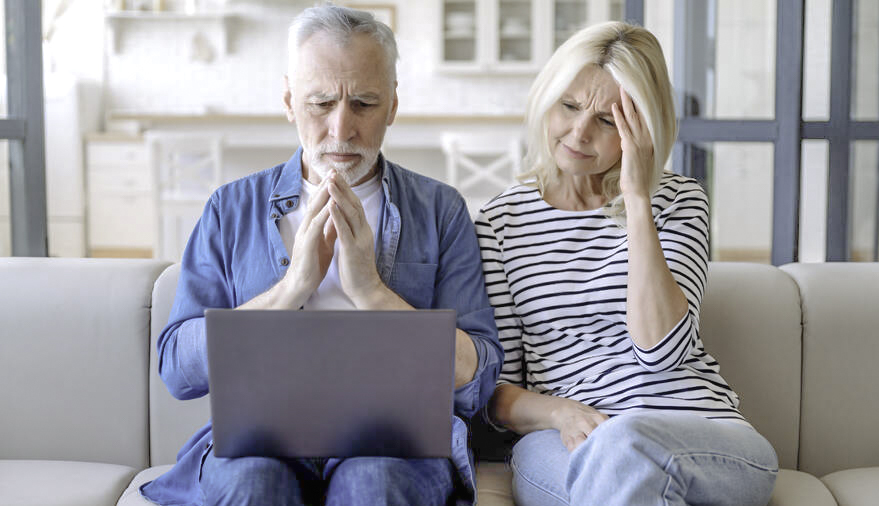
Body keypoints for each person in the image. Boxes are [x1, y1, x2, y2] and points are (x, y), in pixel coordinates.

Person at [140, 5, 502, 506]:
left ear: (393, 105)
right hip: (259, 440)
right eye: (321, 102)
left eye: (365, 103)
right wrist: (290, 291)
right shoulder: (230, 208)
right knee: (252, 485)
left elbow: (479, 375)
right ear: (290, 101)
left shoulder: (440, 210)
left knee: (373, 484)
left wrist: (372, 292)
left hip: (393, 440)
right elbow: (178, 371)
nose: (341, 129)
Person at [475, 21, 778, 506]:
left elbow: (660, 351)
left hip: (699, 437)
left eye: (608, 120)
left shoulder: (678, 201)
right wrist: (560, 414)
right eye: (569, 106)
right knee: (618, 462)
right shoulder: (499, 223)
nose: (579, 132)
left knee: (626, 445)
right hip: (564, 440)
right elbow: (496, 390)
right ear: (545, 99)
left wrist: (637, 200)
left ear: (642, 127)